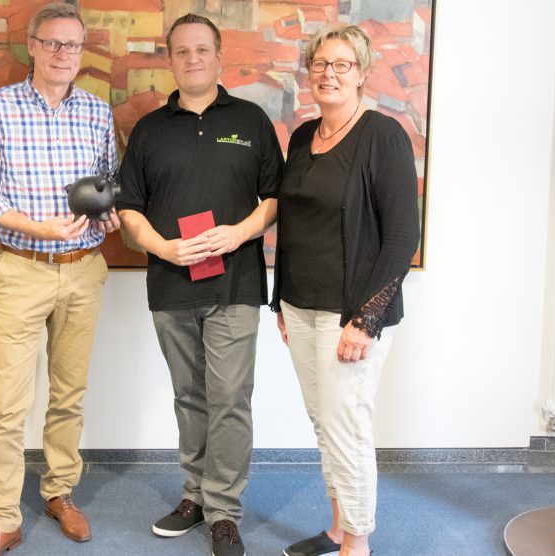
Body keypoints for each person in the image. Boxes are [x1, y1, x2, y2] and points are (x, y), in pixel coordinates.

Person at [116, 13, 284, 556]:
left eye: (202, 50)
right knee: (189, 397)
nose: (192, 59)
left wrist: (238, 234)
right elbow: (128, 210)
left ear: (218, 57)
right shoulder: (148, 130)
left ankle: (224, 511)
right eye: (182, 51)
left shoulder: (252, 120)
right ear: (171, 60)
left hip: (235, 286)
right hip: (170, 286)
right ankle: (194, 494)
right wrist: (163, 247)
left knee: (230, 398)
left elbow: (276, 199)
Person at [0, 3, 119, 555]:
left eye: (72, 45)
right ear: (31, 45)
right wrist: (36, 228)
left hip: (84, 270)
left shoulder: (98, 112)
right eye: (52, 43)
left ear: (82, 51)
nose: (62, 54)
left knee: (69, 395)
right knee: (7, 404)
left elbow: (107, 184)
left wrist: (109, 211)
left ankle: (59, 491)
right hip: (22, 269)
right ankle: (4, 518)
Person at [271, 25, 420, 556]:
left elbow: (403, 236)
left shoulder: (383, 135)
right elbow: (294, 224)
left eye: (342, 64)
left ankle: (358, 543)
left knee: (348, 427)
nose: (329, 73)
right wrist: (280, 301)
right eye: (321, 64)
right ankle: (337, 528)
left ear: (362, 73)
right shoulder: (302, 136)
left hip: (352, 314)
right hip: (300, 305)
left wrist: (367, 319)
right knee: (324, 424)